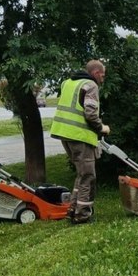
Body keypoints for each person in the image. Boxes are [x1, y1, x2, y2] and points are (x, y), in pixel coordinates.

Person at [50, 60, 110, 224]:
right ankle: (83, 214)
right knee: (88, 176)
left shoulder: (68, 83)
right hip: (79, 135)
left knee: (81, 174)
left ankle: (73, 210)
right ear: (97, 73)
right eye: (102, 76)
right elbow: (90, 114)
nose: (102, 80)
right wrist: (102, 128)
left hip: (65, 134)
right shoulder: (91, 85)